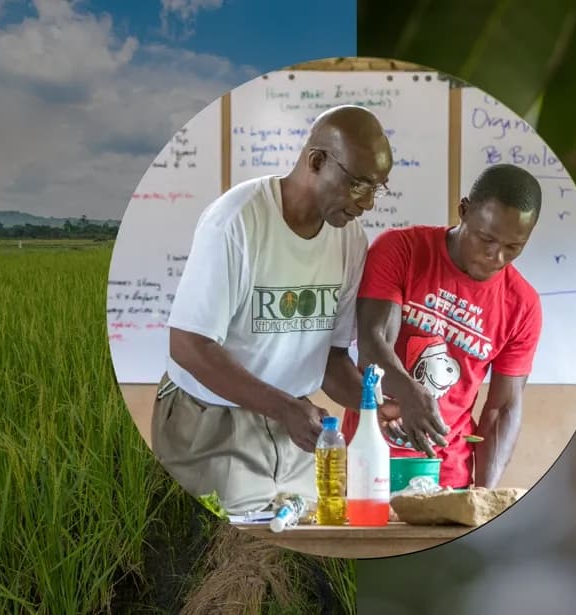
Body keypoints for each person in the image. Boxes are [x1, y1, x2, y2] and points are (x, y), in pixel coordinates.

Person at [151, 105, 394, 515]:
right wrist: (283, 407)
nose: (368, 203)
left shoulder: (350, 239)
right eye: (358, 185)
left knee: (297, 557)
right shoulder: (237, 221)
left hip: (292, 428)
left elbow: (331, 361)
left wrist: (378, 406)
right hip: (210, 422)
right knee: (218, 559)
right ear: (316, 161)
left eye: (378, 188)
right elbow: (188, 345)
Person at [342, 163, 543, 490]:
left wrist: (482, 495)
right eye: (486, 238)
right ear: (463, 211)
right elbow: (373, 344)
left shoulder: (522, 304)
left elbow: (503, 409)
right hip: (367, 461)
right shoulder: (401, 250)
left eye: (513, 248)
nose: (496, 257)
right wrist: (410, 393)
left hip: (446, 477)